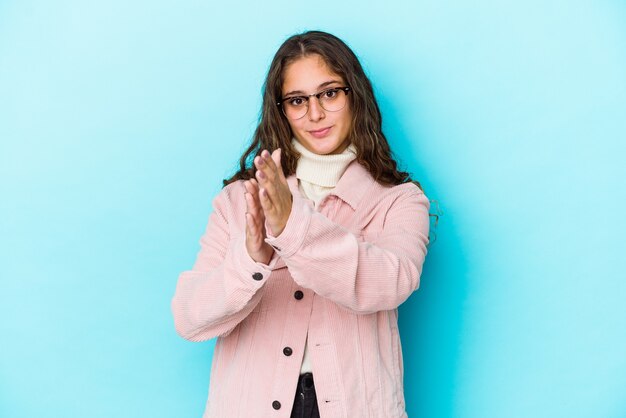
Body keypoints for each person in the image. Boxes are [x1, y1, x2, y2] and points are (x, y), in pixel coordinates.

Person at [171, 30, 430, 418]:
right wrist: (252, 258)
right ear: (282, 110)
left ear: (353, 94)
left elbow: (391, 281)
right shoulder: (239, 199)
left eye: (329, 93)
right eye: (297, 100)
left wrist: (292, 225)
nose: (314, 114)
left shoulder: (399, 199)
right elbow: (189, 317)